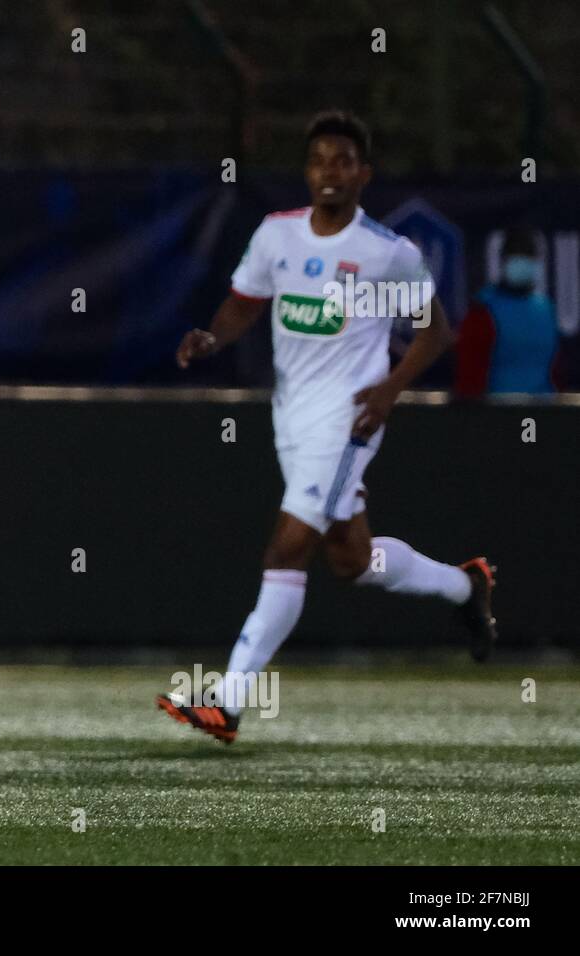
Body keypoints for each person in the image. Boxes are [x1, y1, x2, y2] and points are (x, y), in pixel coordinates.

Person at [160, 110, 497, 744]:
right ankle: (464, 584)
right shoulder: (276, 237)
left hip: (349, 419)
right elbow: (242, 305)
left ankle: (228, 700)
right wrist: (212, 335)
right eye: (319, 161)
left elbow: (436, 333)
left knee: (286, 548)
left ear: (363, 174)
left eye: (344, 161)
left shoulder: (387, 253)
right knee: (350, 559)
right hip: (292, 417)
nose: (330, 172)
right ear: (307, 172)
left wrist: (392, 389)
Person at [455, 226, 562, 395]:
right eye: (516, 255)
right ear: (503, 261)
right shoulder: (483, 310)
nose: (522, 261)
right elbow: (470, 375)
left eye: (527, 255)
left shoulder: (546, 309)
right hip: (499, 414)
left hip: (544, 412)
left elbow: (556, 370)